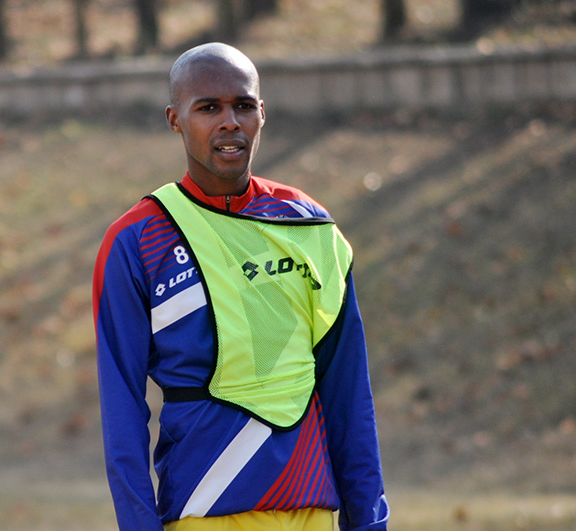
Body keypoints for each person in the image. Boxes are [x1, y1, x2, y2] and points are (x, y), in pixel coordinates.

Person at [92, 42, 389, 531]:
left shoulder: (310, 228)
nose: (229, 121)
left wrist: (369, 523)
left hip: (310, 513)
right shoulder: (135, 242)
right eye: (208, 108)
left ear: (262, 114)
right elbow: (122, 416)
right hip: (203, 515)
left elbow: (349, 395)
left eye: (243, 105)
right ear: (174, 119)